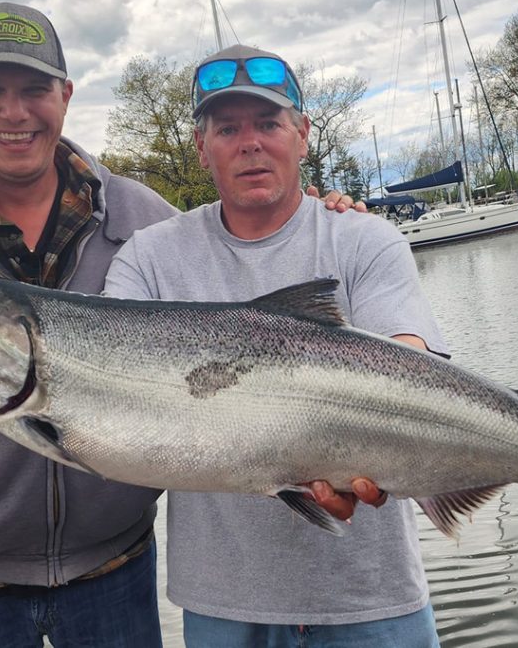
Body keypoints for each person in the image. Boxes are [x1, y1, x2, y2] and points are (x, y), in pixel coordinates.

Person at [0, 3, 365, 648]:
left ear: (65, 96)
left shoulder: (146, 221)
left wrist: (318, 215)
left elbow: (251, 322)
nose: (14, 112)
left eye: (35, 89)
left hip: (116, 577)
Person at [104, 44, 448, 647]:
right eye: (228, 128)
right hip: (224, 605)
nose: (250, 142)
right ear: (201, 146)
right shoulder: (148, 259)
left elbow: (409, 358)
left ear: (302, 135)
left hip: (372, 598)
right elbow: (105, 375)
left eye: (268, 123)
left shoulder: (366, 240)